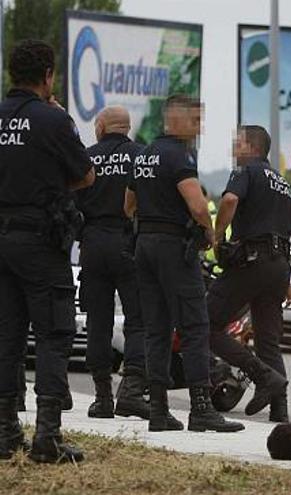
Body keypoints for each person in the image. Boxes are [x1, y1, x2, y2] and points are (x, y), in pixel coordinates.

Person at [0, 40, 94, 463]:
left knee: (6, 338)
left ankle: (3, 436)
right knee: (55, 335)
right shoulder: (53, 120)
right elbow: (86, 176)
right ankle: (47, 439)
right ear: (49, 76)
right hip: (40, 241)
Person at [125, 95, 243, 433]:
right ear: (174, 119)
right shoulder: (179, 155)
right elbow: (196, 204)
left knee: (157, 329)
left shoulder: (145, 153)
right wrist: (208, 233)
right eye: (195, 120)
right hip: (174, 248)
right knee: (194, 327)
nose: (199, 127)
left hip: (144, 246)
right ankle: (201, 409)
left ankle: (159, 410)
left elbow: (127, 205)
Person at [207, 125, 291, 423]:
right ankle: (280, 409)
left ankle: (261, 376)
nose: (233, 149)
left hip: (251, 262)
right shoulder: (285, 185)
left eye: (236, 143)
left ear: (251, 147)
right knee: (268, 339)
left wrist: (217, 237)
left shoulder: (246, 171)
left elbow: (228, 201)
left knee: (204, 323)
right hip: (280, 268)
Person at [77, 106, 149, 420]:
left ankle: (102, 397)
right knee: (139, 318)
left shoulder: (86, 157)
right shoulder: (142, 156)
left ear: (102, 127)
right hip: (129, 243)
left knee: (98, 320)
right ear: (127, 128)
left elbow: (69, 203)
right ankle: (131, 391)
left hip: (93, 243)